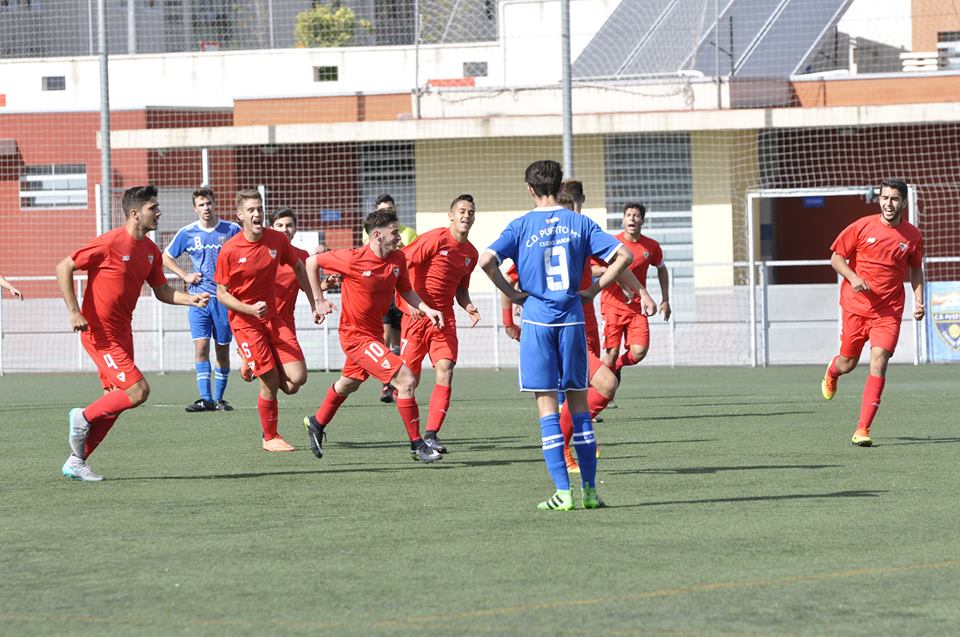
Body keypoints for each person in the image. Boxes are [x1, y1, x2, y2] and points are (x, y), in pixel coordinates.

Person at [480, 159, 633, 511]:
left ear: (530, 189)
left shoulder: (519, 226)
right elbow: (624, 255)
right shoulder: (579, 223)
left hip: (537, 324)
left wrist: (513, 292)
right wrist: (595, 289)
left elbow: (487, 260)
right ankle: (591, 492)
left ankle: (562, 493)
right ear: (560, 186)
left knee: (547, 406)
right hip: (573, 321)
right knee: (579, 405)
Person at [56, 185, 210, 481]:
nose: (160, 212)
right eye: (154, 208)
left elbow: (162, 290)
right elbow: (64, 267)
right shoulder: (109, 242)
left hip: (123, 334)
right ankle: (82, 417)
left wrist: (190, 298)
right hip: (99, 333)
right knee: (138, 391)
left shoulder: (151, 251)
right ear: (135, 213)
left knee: (114, 401)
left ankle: (77, 460)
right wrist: (74, 311)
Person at [501, 182, 655, 473]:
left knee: (580, 393)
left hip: (586, 327)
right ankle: (564, 443)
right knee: (603, 385)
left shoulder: (581, 238)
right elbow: (507, 279)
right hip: (564, 331)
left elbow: (619, 264)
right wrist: (509, 319)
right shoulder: (541, 241)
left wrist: (642, 293)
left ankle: (573, 441)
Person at [303, 207, 445, 463]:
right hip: (355, 336)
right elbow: (311, 262)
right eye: (394, 232)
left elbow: (406, 291)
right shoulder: (351, 258)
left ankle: (317, 422)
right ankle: (417, 444)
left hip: (373, 335)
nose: (399, 237)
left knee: (350, 383)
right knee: (405, 380)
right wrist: (319, 300)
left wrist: (427, 309)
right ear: (377, 235)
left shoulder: (398, 259)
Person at [214, 190, 321, 452]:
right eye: (251, 210)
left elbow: (298, 267)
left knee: (296, 379)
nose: (257, 213)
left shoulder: (276, 240)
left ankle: (252, 365)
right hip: (245, 322)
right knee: (271, 382)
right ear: (240, 215)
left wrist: (314, 301)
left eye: (259, 208)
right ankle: (270, 437)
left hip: (274, 319)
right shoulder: (230, 250)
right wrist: (249, 309)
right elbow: (221, 294)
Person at [820, 178, 924, 447]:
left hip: (888, 311)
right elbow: (835, 258)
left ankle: (863, 429)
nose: (889, 204)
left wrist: (919, 301)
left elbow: (915, 269)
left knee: (879, 360)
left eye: (894, 199)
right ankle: (832, 371)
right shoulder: (862, 226)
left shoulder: (912, 236)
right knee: (848, 363)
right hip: (856, 307)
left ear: (903, 202)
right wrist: (853, 278)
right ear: (879, 199)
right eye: (884, 198)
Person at [397, 193, 481, 454]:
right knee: (408, 381)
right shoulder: (434, 238)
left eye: (470, 212)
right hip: (416, 317)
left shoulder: (471, 254)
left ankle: (431, 435)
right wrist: (410, 302)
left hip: (444, 319)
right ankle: (415, 438)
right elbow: (402, 263)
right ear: (451, 216)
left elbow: (461, 290)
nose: (466, 215)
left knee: (445, 369)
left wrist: (468, 306)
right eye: (462, 211)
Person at [162, 187, 241, 412]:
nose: (206, 208)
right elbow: (166, 257)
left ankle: (219, 399)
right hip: (199, 300)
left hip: (225, 299)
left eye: (209, 203)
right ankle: (205, 398)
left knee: (222, 350)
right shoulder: (187, 233)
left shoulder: (232, 229)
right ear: (195, 208)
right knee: (201, 347)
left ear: (214, 204)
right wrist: (184, 274)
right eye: (201, 204)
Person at [601, 201, 671, 375]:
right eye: (628, 215)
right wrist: (615, 277)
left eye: (636, 216)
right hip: (612, 305)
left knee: (639, 352)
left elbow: (662, 269)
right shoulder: (612, 243)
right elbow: (594, 268)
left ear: (642, 221)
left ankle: (617, 366)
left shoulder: (651, 246)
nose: (632, 219)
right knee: (611, 351)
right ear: (623, 220)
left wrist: (665, 299)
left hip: (638, 306)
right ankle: (605, 397)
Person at [365, 194, 419, 404]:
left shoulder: (409, 233)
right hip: (383, 294)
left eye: (390, 209)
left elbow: (413, 262)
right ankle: (386, 380)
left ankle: (389, 384)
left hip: (402, 292)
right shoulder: (370, 233)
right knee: (384, 336)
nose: (387, 212)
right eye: (383, 209)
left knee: (397, 341)